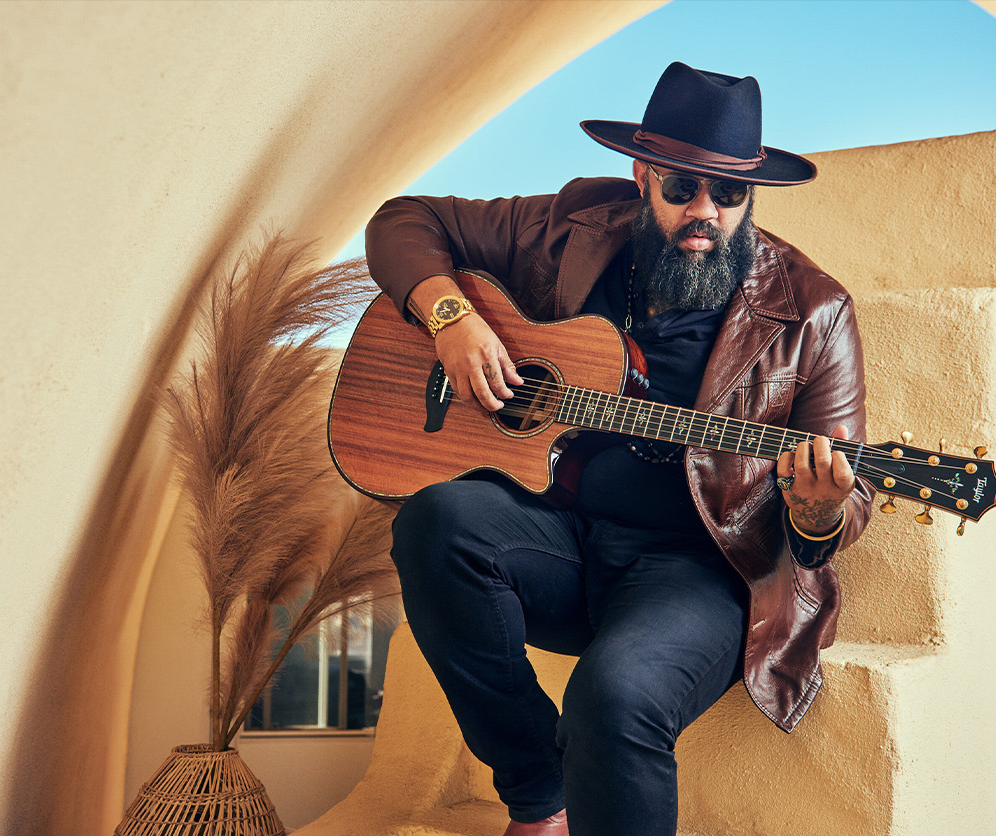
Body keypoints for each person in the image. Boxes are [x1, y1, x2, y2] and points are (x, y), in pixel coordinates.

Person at [364, 62, 873, 836]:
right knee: (437, 523)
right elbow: (403, 221)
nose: (706, 212)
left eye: (729, 194)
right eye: (683, 189)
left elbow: (843, 493)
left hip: (701, 568)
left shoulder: (812, 309)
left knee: (614, 696)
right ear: (641, 175)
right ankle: (539, 799)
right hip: (561, 534)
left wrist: (816, 510)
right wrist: (450, 321)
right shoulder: (574, 223)